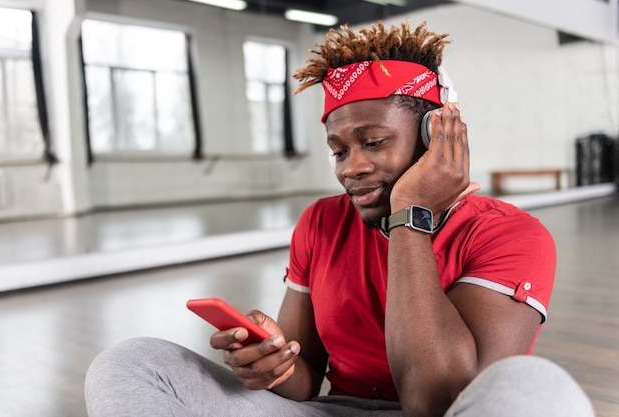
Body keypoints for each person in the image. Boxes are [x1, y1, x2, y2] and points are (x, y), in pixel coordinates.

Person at [84, 19, 595, 417]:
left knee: (537, 390)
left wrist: (409, 217)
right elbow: (305, 380)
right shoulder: (321, 223)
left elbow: (437, 401)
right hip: (331, 411)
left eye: (374, 143)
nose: (352, 168)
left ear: (436, 137)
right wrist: (273, 365)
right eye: (337, 151)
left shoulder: (510, 233)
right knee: (132, 363)